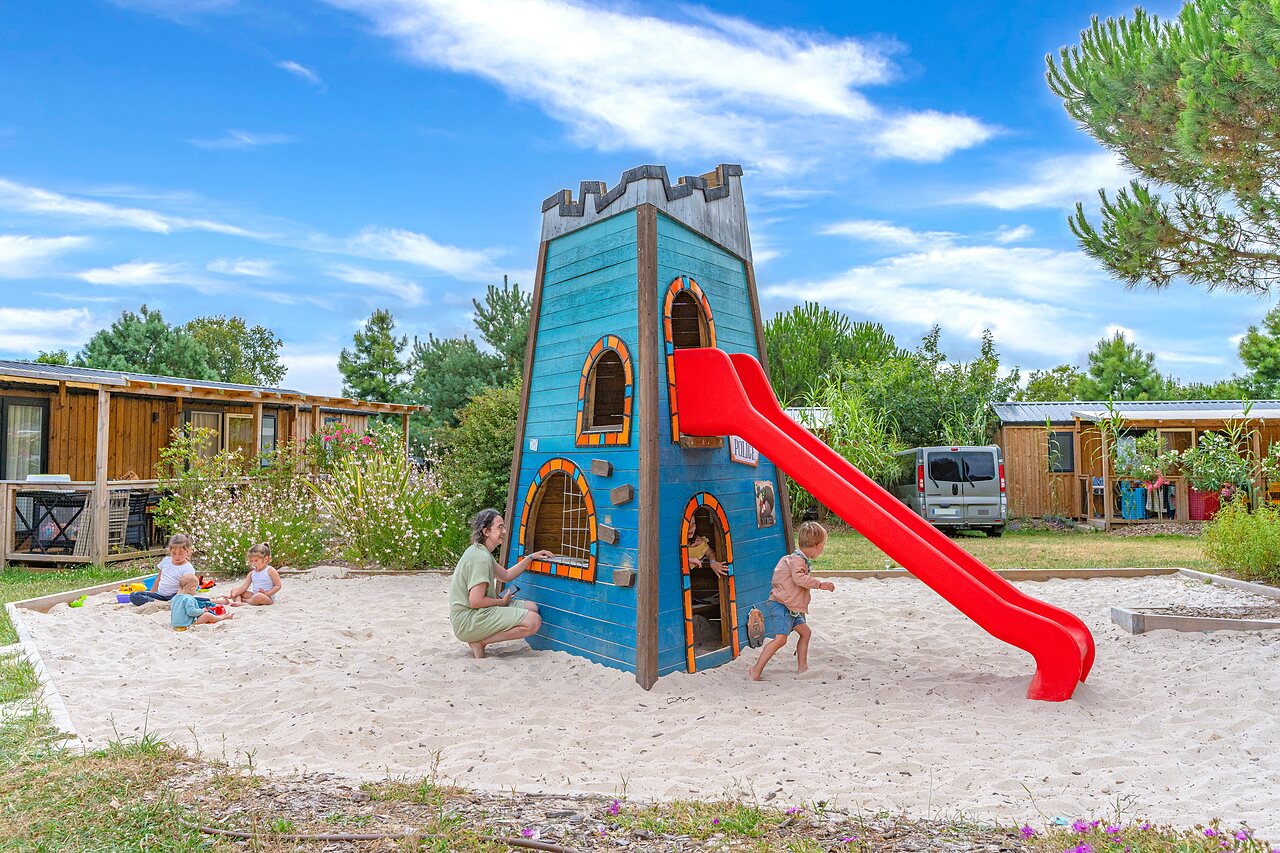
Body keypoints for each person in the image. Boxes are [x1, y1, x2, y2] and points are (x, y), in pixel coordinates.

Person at [450, 508, 553, 659]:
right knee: (534, 622)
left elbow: (505, 575)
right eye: (500, 527)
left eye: (504, 526)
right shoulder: (481, 559)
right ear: (486, 532)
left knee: (533, 608)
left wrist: (531, 557)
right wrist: (500, 601)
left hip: (474, 614)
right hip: (469, 620)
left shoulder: (480, 552)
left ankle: (480, 640)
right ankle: (481, 641)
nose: (504, 530)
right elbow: (475, 601)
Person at [747, 521, 835, 681]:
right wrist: (819, 584)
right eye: (823, 545)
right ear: (817, 545)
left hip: (790, 607)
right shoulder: (797, 561)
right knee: (781, 639)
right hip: (781, 605)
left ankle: (802, 668)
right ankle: (755, 669)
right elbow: (799, 579)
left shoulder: (798, 558)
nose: (823, 548)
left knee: (806, 633)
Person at [129, 534, 197, 606]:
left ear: (188, 551)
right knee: (134, 595)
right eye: (174, 553)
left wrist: (176, 599)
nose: (177, 557)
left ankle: (165, 603)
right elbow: (158, 579)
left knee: (184, 599)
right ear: (170, 551)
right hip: (160, 596)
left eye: (181, 554)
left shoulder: (187, 568)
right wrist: (152, 593)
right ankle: (155, 602)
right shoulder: (166, 561)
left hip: (175, 596)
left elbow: (184, 588)